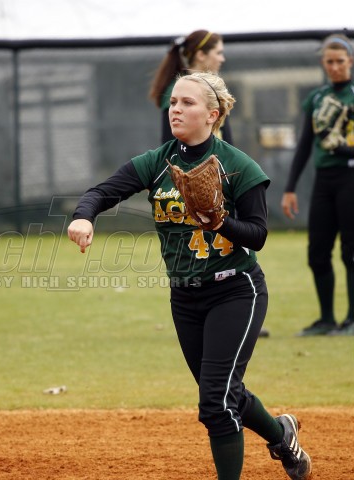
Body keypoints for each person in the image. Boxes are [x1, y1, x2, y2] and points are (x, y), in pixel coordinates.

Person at [68, 72, 312, 480]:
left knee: (215, 403)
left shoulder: (238, 166)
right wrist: (83, 217)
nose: (175, 110)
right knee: (225, 393)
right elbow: (101, 192)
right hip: (184, 297)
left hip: (235, 290)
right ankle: (281, 434)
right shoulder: (158, 162)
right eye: (173, 102)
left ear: (213, 114)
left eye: (187, 102)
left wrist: (219, 222)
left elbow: (258, 234)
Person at [149, 29, 270, 339]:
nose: (222, 58)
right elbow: (171, 146)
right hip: (193, 186)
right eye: (218, 52)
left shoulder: (211, 92)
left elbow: (224, 145)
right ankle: (225, 312)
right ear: (201, 55)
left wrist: (234, 174)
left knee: (234, 240)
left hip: (220, 184)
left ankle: (237, 308)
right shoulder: (184, 92)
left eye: (186, 103)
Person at [281, 33, 354, 337]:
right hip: (324, 181)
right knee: (317, 252)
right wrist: (290, 188)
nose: (334, 67)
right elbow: (304, 146)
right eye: (329, 62)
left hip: (350, 178)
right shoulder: (317, 98)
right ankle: (326, 319)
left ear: (350, 61)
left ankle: (352, 320)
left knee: (351, 251)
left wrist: (345, 149)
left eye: (340, 61)